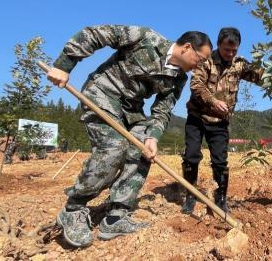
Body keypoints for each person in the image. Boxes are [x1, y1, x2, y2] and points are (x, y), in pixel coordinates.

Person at [46, 25, 212, 247]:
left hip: (131, 110)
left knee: (143, 149)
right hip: (102, 95)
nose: (200, 66)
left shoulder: (178, 79)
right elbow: (94, 35)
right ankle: (73, 209)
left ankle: (116, 215)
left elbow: (162, 110)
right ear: (188, 48)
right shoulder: (144, 37)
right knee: (112, 148)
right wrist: (64, 65)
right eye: (200, 59)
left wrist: (152, 137)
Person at [182, 27, 262, 214]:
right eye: (227, 50)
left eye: (235, 50)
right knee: (191, 157)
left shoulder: (239, 64)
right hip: (197, 117)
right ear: (218, 45)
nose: (231, 54)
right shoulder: (206, 61)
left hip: (219, 123)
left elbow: (259, 76)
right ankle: (190, 197)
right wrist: (212, 101)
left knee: (220, 161)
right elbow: (196, 85)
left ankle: (221, 198)